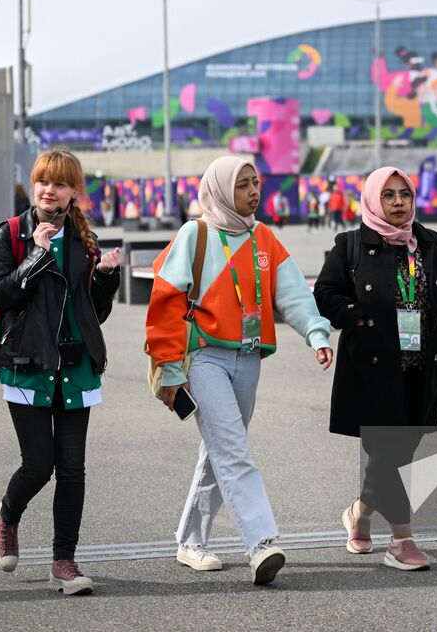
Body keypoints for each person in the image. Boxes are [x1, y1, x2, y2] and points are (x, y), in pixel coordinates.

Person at [145, 157, 333, 585]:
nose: (253, 192)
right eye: (242, 185)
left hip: (248, 358)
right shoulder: (195, 234)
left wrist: (316, 334)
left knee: (221, 448)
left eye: (256, 182)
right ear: (220, 191)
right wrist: (171, 369)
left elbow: (293, 294)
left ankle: (190, 540)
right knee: (233, 449)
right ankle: (262, 542)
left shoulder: (263, 237)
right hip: (204, 357)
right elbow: (165, 304)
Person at [0, 148, 122, 596]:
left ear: (74, 191)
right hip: (27, 364)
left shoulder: (85, 240)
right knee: (38, 464)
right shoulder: (11, 234)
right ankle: (7, 515)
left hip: (76, 368)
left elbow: (93, 314)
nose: (49, 190)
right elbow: (0, 295)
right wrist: (37, 254)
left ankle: (63, 561)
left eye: (60, 183)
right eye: (44, 181)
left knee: (72, 469)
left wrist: (106, 279)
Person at [314, 168, 437, 572]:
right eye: (389, 195)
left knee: (395, 455)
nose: (398, 202)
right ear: (372, 200)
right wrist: (357, 317)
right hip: (373, 369)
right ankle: (402, 541)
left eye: (405, 194)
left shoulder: (428, 242)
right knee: (390, 454)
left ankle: (359, 513)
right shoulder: (350, 244)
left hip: (420, 367)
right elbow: (325, 292)